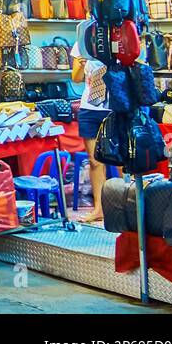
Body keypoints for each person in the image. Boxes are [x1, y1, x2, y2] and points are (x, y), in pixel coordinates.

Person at [72, 20, 109, 223]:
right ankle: (99, 209)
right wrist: (81, 63)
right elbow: (76, 78)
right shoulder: (81, 42)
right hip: (89, 107)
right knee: (95, 161)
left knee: (120, 160)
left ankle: (123, 207)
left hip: (113, 106)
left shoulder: (115, 38)